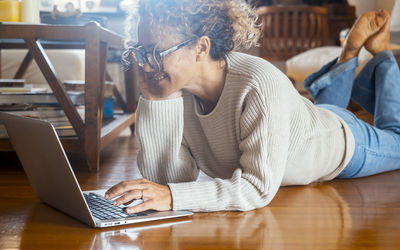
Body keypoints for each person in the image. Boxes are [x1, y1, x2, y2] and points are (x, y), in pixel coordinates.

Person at [105, 0, 400, 213]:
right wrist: (157, 100)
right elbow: (171, 182)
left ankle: (382, 55)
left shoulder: (258, 83)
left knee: (396, 137)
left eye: (156, 52)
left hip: (341, 142)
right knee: (318, 114)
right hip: (305, 128)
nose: (143, 64)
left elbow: (257, 188)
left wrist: (171, 196)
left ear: (201, 47)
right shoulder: (174, 92)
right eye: (140, 52)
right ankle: (348, 54)